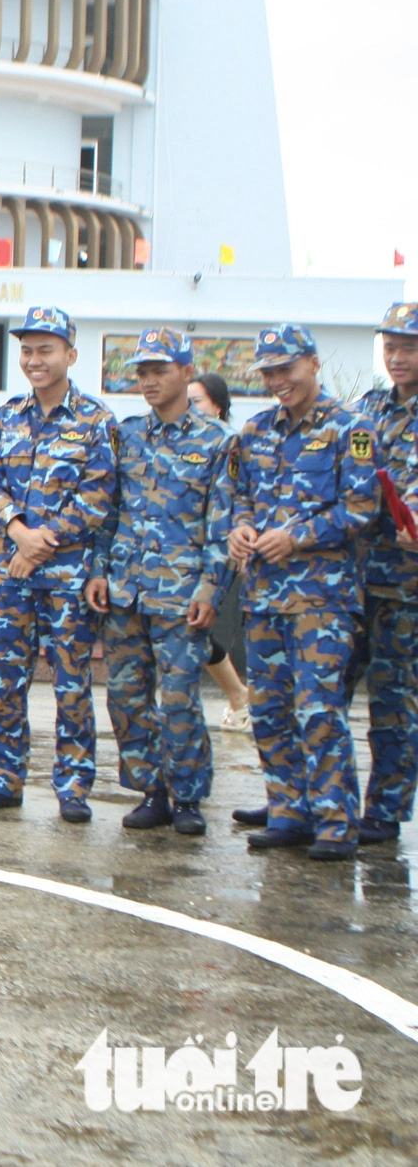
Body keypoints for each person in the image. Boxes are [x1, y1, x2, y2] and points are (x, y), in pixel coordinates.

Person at [227, 324, 376, 860]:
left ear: (312, 364)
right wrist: (240, 527)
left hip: (322, 600)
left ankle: (336, 823)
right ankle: (289, 812)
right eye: (269, 372)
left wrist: (298, 537)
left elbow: (361, 508)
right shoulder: (254, 431)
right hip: (263, 597)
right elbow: (238, 495)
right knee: (268, 710)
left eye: (286, 368)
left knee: (319, 710)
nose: (278, 380)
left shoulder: (351, 428)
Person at [0, 308, 118, 821]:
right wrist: (18, 533)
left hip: (69, 577)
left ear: (70, 355)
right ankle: (3, 778)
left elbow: (99, 498)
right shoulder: (4, 418)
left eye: (45, 349)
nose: (34, 360)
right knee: (7, 679)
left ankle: (73, 786)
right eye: (27, 350)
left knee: (72, 681)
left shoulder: (96, 421)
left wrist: (41, 543)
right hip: (11, 573)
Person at [86, 329, 231, 837]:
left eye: (160, 371)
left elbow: (223, 523)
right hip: (125, 590)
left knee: (179, 700)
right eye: (142, 373)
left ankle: (188, 795)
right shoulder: (125, 435)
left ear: (187, 372)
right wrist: (99, 570)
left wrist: (213, 588)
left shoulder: (218, 442)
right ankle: (153, 790)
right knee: (126, 696)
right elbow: (110, 511)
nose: (148, 381)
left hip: (182, 595)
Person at [351, 302, 418, 846]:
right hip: (350, 579)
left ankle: (385, 811)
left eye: (409, 348)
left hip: (406, 587)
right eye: (390, 347)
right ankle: (312, 801)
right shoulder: (367, 408)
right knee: (320, 692)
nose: (396, 358)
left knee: (393, 703)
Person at [188, 372, 253, 731]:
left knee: (197, 629)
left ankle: (241, 697)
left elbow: (239, 498)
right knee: (194, 631)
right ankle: (239, 696)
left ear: (218, 405)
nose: (191, 408)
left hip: (218, 553)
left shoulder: (233, 443)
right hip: (180, 555)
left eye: (197, 400)